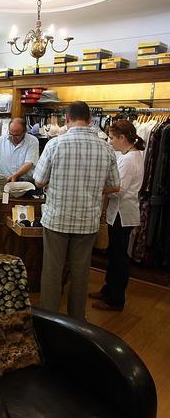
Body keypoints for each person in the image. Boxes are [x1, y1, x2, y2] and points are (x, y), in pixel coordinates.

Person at [33, 101, 120, 321]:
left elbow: (39, 180)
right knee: (81, 272)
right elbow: (114, 185)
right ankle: (77, 321)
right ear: (90, 120)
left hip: (57, 217)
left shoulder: (54, 144)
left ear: (66, 119)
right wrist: (92, 187)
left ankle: (49, 321)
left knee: (52, 270)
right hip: (87, 219)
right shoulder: (106, 147)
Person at [90, 120, 145, 311]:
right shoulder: (129, 155)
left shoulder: (129, 160)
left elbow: (118, 190)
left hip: (123, 213)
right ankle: (108, 290)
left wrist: (98, 188)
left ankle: (115, 299)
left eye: (112, 138)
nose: (110, 141)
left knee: (119, 257)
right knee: (114, 255)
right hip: (120, 212)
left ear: (122, 138)